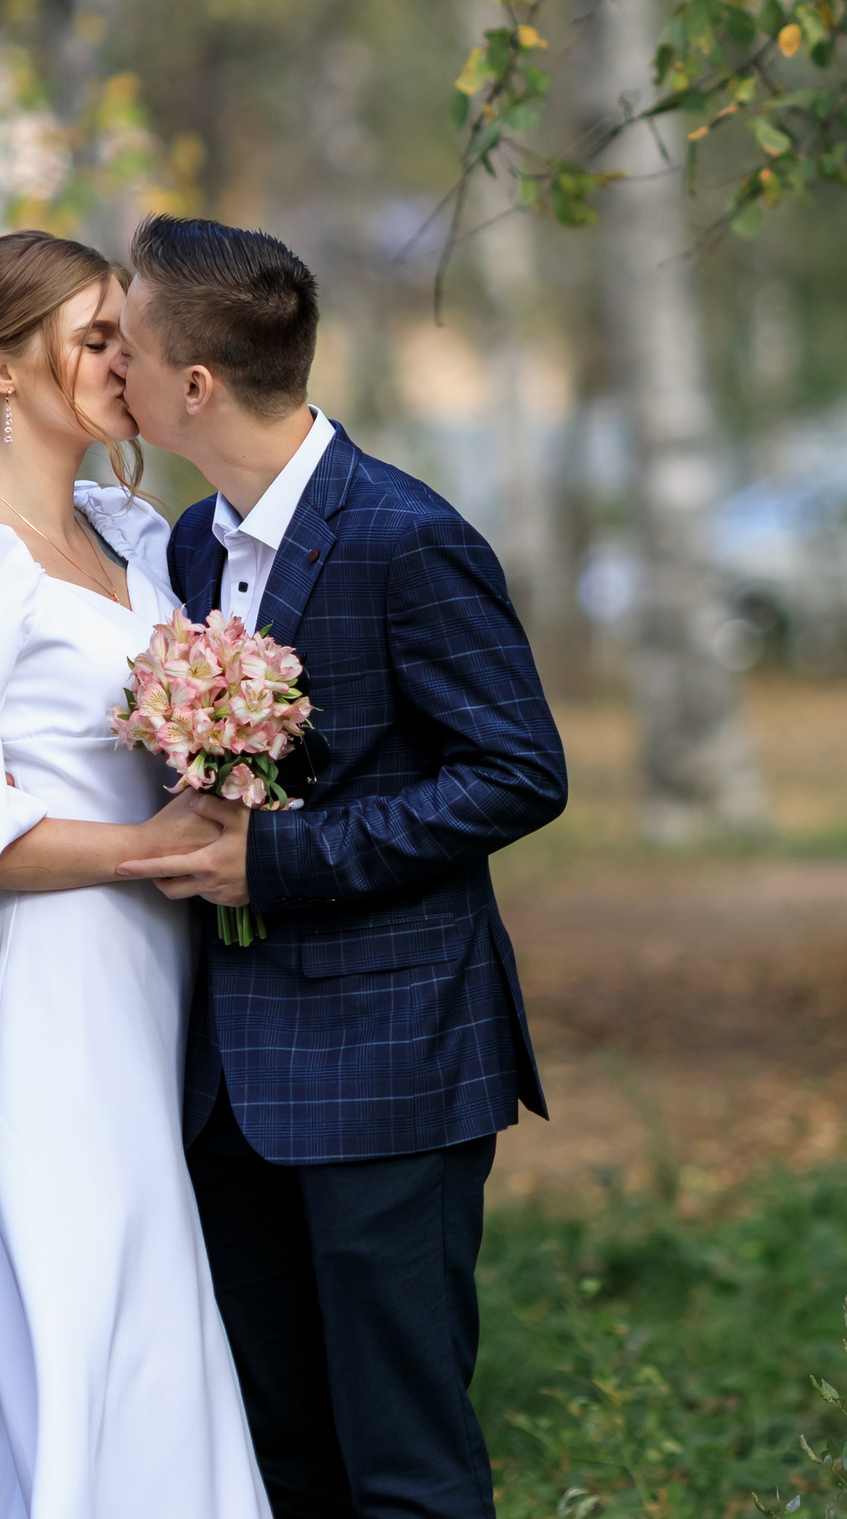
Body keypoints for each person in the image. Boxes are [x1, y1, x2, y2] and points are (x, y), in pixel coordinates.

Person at [113, 215, 569, 1519]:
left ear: (194, 386)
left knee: (406, 1466)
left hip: (394, 1068)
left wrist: (282, 860)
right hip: (230, 1089)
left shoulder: (402, 538)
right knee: (281, 1457)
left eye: (127, 348)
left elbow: (520, 772)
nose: (112, 374)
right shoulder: (193, 547)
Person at [0, 231, 272, 1519]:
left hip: (151, 975)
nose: (122, 358)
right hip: (42, 988)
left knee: (151, 1315)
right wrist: (165, 847)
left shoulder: (126, 534)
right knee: (85, 1321)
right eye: (93, 336)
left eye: (123, 335)